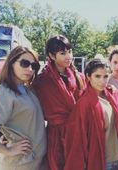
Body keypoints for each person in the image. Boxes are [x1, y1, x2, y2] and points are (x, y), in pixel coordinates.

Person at [0, 46, 47, 170]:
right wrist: (7, 150)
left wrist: (7, 134)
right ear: (11, 63)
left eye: (34, 66)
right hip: (19, 165)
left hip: (36, 163)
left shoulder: (27, 89)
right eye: (24, 63)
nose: (30, 69)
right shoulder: (3, 92)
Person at [64, 58, 118, 170]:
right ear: (88, 77)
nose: (102, 81)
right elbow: (77, 140)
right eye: (97, 76)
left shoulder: (114, 95)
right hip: (102, 161)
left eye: (105, 76)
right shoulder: (84, 104)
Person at [33, 35, 86, 170]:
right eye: (63, 53)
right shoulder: (42, 80)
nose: (68, 56)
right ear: (51, 55)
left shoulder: (78, 76)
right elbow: (28, 107)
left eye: (70, 52)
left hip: (78, 133)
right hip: (56, 135)